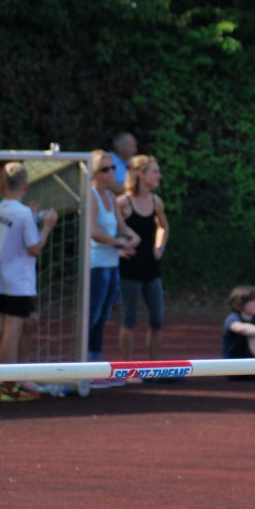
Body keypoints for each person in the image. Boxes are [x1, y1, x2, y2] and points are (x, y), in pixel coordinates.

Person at [0, 163, 58, 402]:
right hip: (18, 280)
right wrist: (47, 227)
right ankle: (10, 386)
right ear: (25, 186)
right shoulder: (23, 213)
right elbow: (34, 247)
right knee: (12, 330)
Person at [87, 150, 139, 370]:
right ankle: (84, 365)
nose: (111, 172)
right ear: (94, 173)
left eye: (113, 168)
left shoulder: (110, 196)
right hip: (96, 264)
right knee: (92, 315)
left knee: (103, 316)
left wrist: (133, 237)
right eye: (105, 169)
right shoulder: (92, 196)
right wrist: (118, 242)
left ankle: (93, 362)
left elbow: (121, 226)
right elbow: (93, 231)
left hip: (111, 264)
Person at [116, 155, 170, 359]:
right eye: (155, 172)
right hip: (129, 269)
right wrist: (117, 249)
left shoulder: (156, 201)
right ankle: (127, 368)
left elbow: (163, 227)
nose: (159, 176)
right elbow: (107, 231)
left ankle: (154, 366)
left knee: (157, 320)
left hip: (151, 268)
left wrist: (160, 247)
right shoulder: (123, 202)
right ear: (141, 174)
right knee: (129, 319)